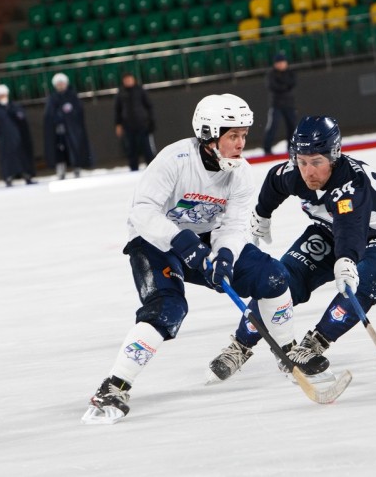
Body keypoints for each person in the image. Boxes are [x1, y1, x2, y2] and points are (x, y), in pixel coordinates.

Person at [82, 94, 325, 424]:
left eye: (243, 134)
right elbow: (142, 212)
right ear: (210, 135)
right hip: (154, 242)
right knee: (168, 309)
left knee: (273, 276)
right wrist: (185, 244)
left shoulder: (240, 173)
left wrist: (224, 255)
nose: (241, 143)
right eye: (233, 136)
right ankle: (114, 385)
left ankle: (287, 353)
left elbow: (236, 224)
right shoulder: (175, 160)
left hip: (206, 238)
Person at [207, 116, 376, 382]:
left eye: (317, 162)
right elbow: (274, 182)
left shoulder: (352, 186)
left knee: (362, 281)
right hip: (328, 231)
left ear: (334, 156)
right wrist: (262, 215)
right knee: (281, 280)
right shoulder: (296, 173)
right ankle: (240, 345)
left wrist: (347, 260)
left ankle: (314, 344)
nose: (308, 172)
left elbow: (350, 229)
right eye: (302, 162)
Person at [43, 73, 93, 179]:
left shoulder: (72, 96)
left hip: (73, 130)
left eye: (62, 83)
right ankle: (61, 169)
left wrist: (70, 117)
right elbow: (49, 114)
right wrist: (58, 120)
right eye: (58, 84)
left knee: (75, 148)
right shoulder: (52, 98)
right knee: (60, 150)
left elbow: (79, 111)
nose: (60, 86)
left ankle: (77, 167)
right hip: (59, 131)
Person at [0, 84, 36, 187]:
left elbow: (22, 119)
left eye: (3, 94)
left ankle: (27, 175)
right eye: (0, 95)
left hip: (19, 138)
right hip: (5, 139)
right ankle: (8, 177)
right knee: (7, 159)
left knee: (22, 157)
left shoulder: (15, 106)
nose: (2, 97)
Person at [114, 72, 156, 171]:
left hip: (142, 125)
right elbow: (117, 110)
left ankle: (152, 168)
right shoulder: (121, 93)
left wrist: (151, 121)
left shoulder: (140, 91)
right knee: (131, 150)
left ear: (134, 80)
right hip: (128, 126)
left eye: (130, 79)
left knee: (147, 149)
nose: (128, 82)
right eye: (126, 80)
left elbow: (149, 107)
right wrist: (118, 124)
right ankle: (133, 170)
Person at [263, 53, 297, 156]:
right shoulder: (271, 74)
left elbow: (293, 83)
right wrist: (285, 85)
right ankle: (267, 149)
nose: (281, 65)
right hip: (276, 105)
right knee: (272, 127)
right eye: (279, 63)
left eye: (283, 62)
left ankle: (291, 148)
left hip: (289, 104)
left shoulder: (290, 72)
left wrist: (282, 84)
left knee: (292, 126)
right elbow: (273, 86)